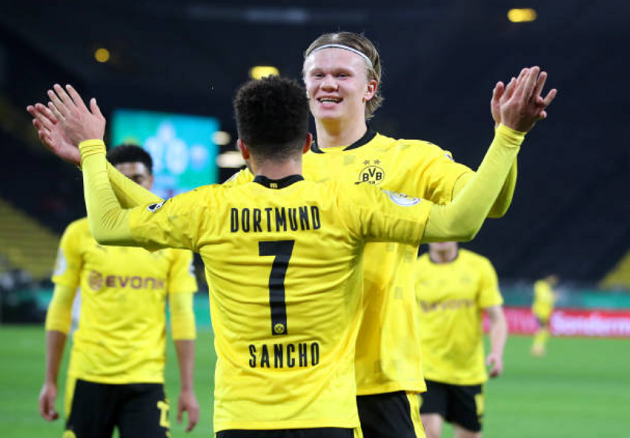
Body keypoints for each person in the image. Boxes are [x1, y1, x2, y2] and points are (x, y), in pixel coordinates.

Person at [30, 72, 536, 437]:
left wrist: (93, 155)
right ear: (308, 143)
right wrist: (508, 136)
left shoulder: (210, 207)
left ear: (244, 148)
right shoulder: (348, 205)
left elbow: (112, 225)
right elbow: (462, 221)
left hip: (242, 419)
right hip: (327, 417)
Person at [222, 32, 556, 438]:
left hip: (380, 379)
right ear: (305, 86)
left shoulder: (411, 159)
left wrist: (508, 137)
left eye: (342, 75)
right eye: (318, 75)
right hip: (302, 386)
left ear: (370, 88)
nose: (328, 84)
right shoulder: (273, 167)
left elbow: (490, 204)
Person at [38, 144, 200, 438]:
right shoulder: (79, 233)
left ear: (151, 181)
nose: (129, 187)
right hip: (88, 375)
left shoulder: (173, 241)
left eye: (137, 179)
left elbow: (182, 316)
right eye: (120, 179)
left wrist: (187, 388)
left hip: (146, 379)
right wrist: (50, 380)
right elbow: (60, 308)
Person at [415, 242, 507, 438]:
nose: (442, 237)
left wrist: (497, 353)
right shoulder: (414, 269)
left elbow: (497, 318)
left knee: (469, 435)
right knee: (428, 432)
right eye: (437, 231)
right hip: (426, 369)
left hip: (467, 372)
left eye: (448, 230)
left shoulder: (479, 266)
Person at [531, 275, 558, 356]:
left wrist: (552, 297)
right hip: (540, 312)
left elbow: (549, 300)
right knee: (543, 330)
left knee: (544, 330)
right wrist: (553, 296)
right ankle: (537, 348)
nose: (553, 281)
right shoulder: (540, 285)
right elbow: (544, 298)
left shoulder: (547, 288)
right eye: (552, 279)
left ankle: (538, 347)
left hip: (546, 312)